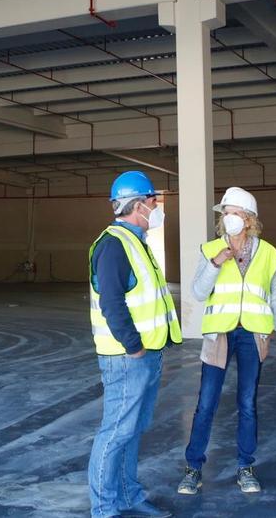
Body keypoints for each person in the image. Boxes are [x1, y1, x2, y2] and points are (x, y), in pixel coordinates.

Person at [88, 170, 182, 518]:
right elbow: (112, 303)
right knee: (115, 433)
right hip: (127, 358)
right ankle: (103, 508)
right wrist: (134, 347)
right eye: (155, 202)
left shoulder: (136, 240)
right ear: (139, 205)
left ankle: (128, 496)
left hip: (147, 355)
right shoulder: (114, 244)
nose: (158, 208)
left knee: (132, 431)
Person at [176, 187, 276, 496]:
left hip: (252, 333)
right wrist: (216, 263)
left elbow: (274, 291)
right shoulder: (211, 250)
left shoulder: (268, 252)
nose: (227, 218)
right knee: (206, 403)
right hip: (219, 333)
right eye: (225, 213)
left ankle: (246, 467)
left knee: (247, 403)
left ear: (249, 219)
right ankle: (192, 469)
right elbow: (197, 291)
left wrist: (271, 326)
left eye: (234, 213)